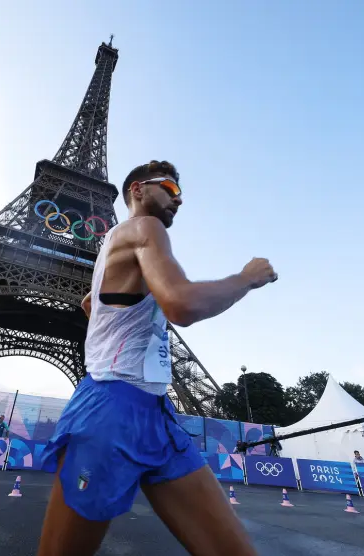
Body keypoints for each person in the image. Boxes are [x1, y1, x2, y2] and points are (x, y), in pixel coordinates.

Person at [35, 161, 277, 556]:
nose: (177, 199)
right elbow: (181, 304)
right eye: (168, 187)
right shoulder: (146, 229)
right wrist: (246, 278)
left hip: (155, 413)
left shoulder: (118, 244)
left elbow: (90, 304)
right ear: (137, 190)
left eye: (182, 195)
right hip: (111, 411)